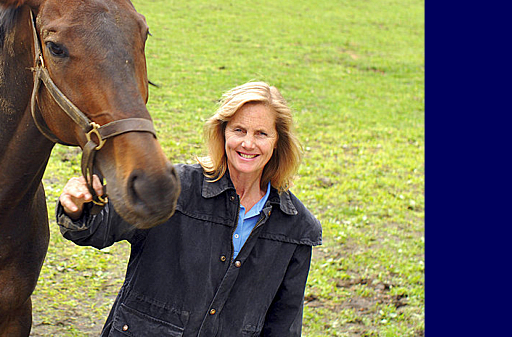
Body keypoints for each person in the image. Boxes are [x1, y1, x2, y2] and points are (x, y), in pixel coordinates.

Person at [56, 81, 322, 336]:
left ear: (277, 141)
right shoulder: (175, 189)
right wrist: (78, 209)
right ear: (222, 132)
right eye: (239, 130)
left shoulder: (297, 228)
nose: (248, 143)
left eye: (261, 133)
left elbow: (283, 324)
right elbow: (98, 229)